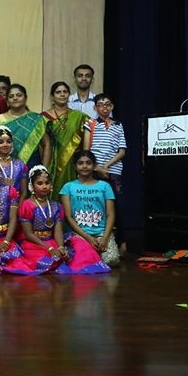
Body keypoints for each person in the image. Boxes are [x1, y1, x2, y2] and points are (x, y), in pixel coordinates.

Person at [18, 166, 110, 274]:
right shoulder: (27, 205)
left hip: (52, 240)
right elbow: (28, 234)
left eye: (47, 183)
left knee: (80, 245)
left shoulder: (56, 206)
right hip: (34, 243)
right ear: (32, 186)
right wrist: (50, 248)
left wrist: (61, 247)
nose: (44, 186)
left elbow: (58, 231)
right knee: (47, 259)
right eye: (40, 183)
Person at [83, 93, 127, 254]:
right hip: (94, 171)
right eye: (101, 105)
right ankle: (93, 242)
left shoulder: (118, 125)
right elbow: (86, 151)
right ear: (95, 108)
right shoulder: (91, 124)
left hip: (113, 171)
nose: (104, 107)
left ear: (112, 106)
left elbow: (122, 151)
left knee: (117, 206)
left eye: (107, 104)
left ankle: (122, 242)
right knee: (96, 206)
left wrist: (106, 166)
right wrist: (97, 168)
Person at [60, 150, 120, 268]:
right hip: (79, 234)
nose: (85, 166)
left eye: (88, 163)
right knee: (82, 260)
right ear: (75, 166)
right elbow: (68, 216)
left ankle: (97, 254)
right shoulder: (68, 187)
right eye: (80, 163)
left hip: (102, 233)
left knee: (111, 260)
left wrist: (105, 238)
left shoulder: (105, 186)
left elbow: (111, 214)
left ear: (94, 165)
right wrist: (87, 237)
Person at [43, 81, 89, 198]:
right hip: (49, 163)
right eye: (58, 92)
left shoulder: (79, 117)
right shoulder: (43, 117)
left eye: (65, 92)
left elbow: (86, 143)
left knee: (70, 195)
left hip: (71, 164)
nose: (62, 94)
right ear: (52, 97)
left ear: (69, 94)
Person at [0, 84, 51, 168]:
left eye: (19, 95)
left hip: (32, 164)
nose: (15, 98)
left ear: (25, 98)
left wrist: (44, 169)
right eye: (11, 96)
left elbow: (46, 144)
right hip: (5, 166)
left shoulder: (36, 119)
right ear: (7, 101)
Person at [0, 126, 28, 198]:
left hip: (17, 202)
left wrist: (19, 205)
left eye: (9, 141)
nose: (5, 145)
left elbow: (24, 192)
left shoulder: (20, 165)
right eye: (1, 142)